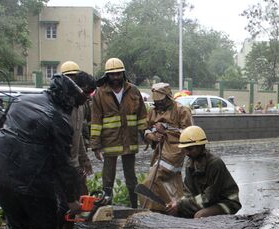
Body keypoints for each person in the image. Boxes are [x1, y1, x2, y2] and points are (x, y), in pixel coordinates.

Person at [0, 74, 93, 229]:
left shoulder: (22, 100)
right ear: (66, 99)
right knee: (45, 227)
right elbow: (63, 165)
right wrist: (72, 200)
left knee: (16, 225)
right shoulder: (58, 119)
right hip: (29, 178)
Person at [90, 57, 147, 208]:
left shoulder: (133, 90)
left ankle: (134, 206)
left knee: (131, 177)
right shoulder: (100, 94)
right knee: (108, 177)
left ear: (123, 73)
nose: (115, 77)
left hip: (129, 139)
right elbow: (95, 121)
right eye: (112, 74)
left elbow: (142, 115)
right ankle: (106, 206)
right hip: (110, 141)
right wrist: (95, 145)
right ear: (107, 75)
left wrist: (145, 134)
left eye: (118, 74)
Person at [55, 62, 95, 229]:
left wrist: (83, 159)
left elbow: (78, 136)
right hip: (60, 164)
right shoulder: (61, 105)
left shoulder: (80, 105)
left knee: (79, 201)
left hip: (73, 162)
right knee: (62, 205)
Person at [165, 126, 241, 218]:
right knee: (178, 212)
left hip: (227, 202)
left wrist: (182, 204)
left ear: (201, 146)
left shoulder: (215, 164)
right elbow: (188, 192)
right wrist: (177, 205)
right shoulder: (190, 164)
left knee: (200, 216)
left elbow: (209, 198)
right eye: (185, 149)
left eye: (190, 149)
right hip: (208, 202)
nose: (187, 153)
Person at [141, 82, 194, 212]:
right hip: (159, 150)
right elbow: (146, 130)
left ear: (168, 97)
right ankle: (175, 207)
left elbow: (189, 133)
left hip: (175, 151)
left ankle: (160, 207)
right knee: (171, 181)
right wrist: (152, 137)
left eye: (161, 101)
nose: (159, 104)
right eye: (156, 102)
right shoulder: (153, 111)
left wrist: (166, 131)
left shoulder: (181, 110)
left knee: (152, 179)